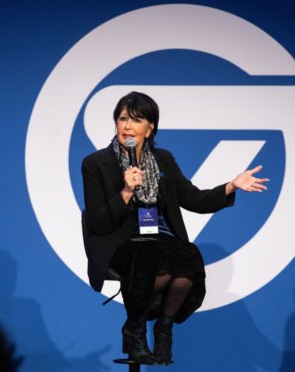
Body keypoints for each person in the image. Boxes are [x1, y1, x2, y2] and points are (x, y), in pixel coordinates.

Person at [81, 91, 269, 365]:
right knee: (155, 259)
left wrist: (231, 185)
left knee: (188, 256)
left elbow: (192, 198)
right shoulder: (96, 163)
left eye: (136, 120)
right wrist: (125, 191)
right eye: (122, 118)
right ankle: (135, 325)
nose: (127, 126)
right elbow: (98, 222)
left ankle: (163, 327)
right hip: (121, 243)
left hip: (162, 238)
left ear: (150, 127)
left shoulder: (163, 159)